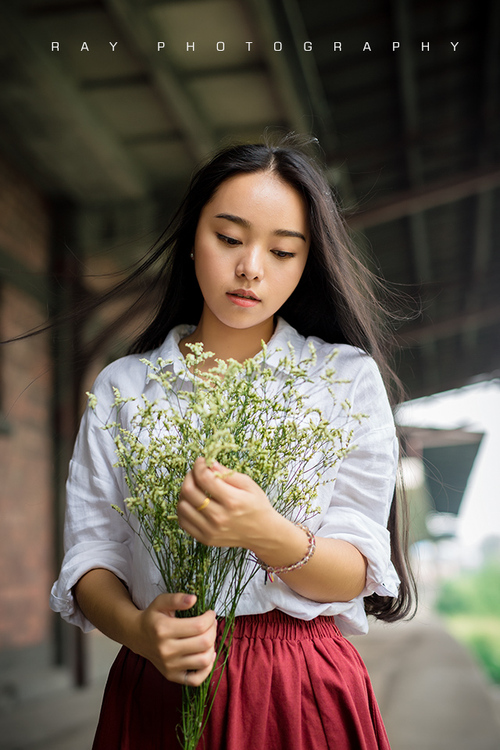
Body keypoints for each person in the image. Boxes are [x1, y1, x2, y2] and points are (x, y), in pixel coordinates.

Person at [50, 139, 416, 749]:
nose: (251, 267)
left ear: (305, 265)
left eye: (282, 251)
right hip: (158, 684)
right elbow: (92, 554)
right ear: (193, 238)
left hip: (298, 687)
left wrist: (259, 529)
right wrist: (143, 632)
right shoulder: (125, 386)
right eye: (229, 238)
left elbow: (353, 570)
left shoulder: (345, 379)